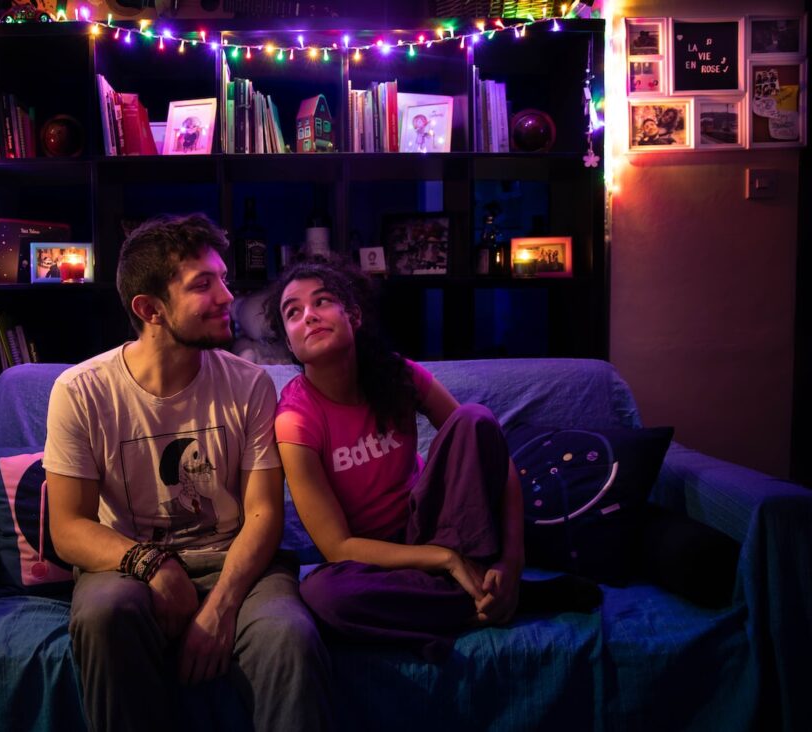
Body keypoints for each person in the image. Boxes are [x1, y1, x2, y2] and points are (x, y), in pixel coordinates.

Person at [44, 213, 332, 732]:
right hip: (125, 564)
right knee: (104, 615)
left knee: (289, 636)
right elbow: (68, 528)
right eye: (203, 284)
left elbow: (264, 513)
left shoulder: (250, 384)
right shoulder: (82, 391)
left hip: (235, 560)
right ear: (149, 309)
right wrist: (155, 566)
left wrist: (221, 607)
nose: (227, 296)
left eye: (223, 278)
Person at [265, 257, 601, 661]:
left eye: (322, 301)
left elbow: (492, 453)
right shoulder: (295, 420)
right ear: (289, 343)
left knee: (475, 418)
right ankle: (489, 600)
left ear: (353, 315)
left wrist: (512, 562)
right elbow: (338, 547)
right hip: (372, 560)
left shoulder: (398, 375)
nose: (309, 315)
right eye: (293, 312)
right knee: (323, 596)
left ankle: (489, 589)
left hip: (438, 525)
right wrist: (446, 560)